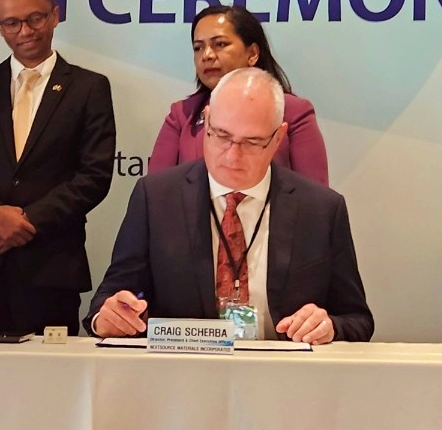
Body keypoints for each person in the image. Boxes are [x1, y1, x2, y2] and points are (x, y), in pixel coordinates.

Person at [86, 67, 373, 344]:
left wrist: (329, 326)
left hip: (284, 379)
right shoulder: (157, 198)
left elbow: (357, 319)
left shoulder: (321, 209)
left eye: (251, 142)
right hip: (184, 376)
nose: (232, 156)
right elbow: (110, 297)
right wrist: (108, 316)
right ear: (207, 120)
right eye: (222, 136)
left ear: (278, 138)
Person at [0, 0, 116, 335]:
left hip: (51, 266)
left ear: (54, 15)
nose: (25, 31)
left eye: (35, 18)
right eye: (12, 22)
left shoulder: (89, 88)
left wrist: (27, 221)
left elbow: (93, 176)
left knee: (50, 385)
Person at [149, 4, 329, 185]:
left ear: (252, 54)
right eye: (198, 47)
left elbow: (314, 202)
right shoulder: (181, 115)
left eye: (220, 44)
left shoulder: (294, 112)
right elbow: (157, 195)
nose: (207, 55)